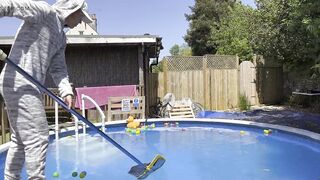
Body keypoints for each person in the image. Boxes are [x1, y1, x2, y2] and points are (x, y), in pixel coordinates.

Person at [0, 0, 92, 179]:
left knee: (20, 139)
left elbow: (58, 68)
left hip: (29, 84)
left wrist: (66, 91)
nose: (81, 22)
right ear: (72, 10)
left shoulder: (61, 38)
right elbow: (9, 5)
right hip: (18, 80)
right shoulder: (44, 11)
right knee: (39, 135)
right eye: (81, 16)